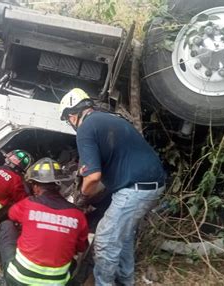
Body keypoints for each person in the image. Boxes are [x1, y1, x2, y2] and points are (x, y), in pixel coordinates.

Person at [59, 88, 166, 285]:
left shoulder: (86, 128)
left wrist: (82, 197)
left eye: (68, 119)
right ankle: (125, 281)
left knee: (106, 240)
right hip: (151, 185)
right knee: (122, 236)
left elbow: (93, 177)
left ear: (72, 115)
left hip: (136, 189)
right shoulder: (108, 119)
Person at [0, 157, 89, 285]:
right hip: (56, 283)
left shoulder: (28, 204)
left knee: (6, 225)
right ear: (58, 185)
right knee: (72, 262)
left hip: (18, 280)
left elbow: (12, 215)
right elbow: (81, 247)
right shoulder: (78, 215)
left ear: (36, 186)